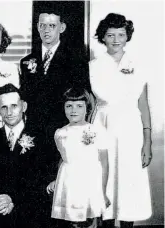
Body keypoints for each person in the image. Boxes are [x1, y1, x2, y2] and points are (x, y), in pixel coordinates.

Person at [19, 12, 91, 214]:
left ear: (62, 28)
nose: (47, 30)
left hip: (64, 129)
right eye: (42, 25)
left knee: (62, 182)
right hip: (35, 129)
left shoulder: (76, 58)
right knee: (35, 182)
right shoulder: (27, 61)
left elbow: (82, 97)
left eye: (52, 25)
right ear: (37, 27)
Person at [89, 13, 152, 228]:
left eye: (120, 35)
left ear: (127, 37)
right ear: (103, 37)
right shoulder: (93, 66)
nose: (116, 40)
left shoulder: (137, 65)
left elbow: (143, 104)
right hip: (103, 124)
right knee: (102, 181)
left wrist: (148, 142)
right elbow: (88, 104)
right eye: (110, 35)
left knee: (129, 184)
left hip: (130, 128)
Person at [0, 83, 53, 228]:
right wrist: (0, 201)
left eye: (14, 106)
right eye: (4, 107)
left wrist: (13, 199)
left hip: (30, 208)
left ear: (24, 106)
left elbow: (43, 179)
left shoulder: (42, 138)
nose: (9, 112)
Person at [46, 88, 110, 228]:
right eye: (69, 106)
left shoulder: (96, 131)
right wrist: (57, 180)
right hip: (69, 183)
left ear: (87, 108)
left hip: (89, 182)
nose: (73, 110)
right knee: (72, 221)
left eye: (79, 106)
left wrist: (103, 192)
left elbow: (104, 163)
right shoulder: (60, 133)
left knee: (90, 221)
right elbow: (63, 159)